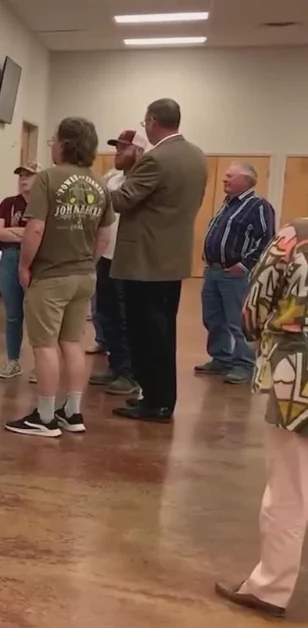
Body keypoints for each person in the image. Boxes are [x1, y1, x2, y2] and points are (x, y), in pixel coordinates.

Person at [214, 219, 308, 619]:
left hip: (297, 380)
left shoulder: (296, 236)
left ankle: (271, 587)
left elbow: (253, 310)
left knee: (289, 488)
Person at [4, 117, 114, 438]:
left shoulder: (48, 179)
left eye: (53, 139)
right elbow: (104, 235)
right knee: (72, 342)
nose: (51, 145)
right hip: (84, 275)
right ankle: (73, 411)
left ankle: (46, 416)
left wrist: (24, 266)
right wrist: (87, 262)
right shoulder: (99, 183)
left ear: (65, 143)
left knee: (45, 344)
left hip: (51, 276)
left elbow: (35, 228)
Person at [108, 98, 208, 423]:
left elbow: (123, 200)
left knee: (147, 335)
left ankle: (155, 402)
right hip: (171, 260)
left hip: (145, 260)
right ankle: (160, 399)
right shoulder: (196, 156)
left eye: (144, 122)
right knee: (163, 334)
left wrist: (92, 189)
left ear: (152, 121)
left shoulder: (156, 159)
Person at [196, 161, 276, 385]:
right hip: (213, 271)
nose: (225, 179)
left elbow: (266, 239)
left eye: (230, 176)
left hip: (236, 275)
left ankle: (244, 364)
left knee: (237, 321)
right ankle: (221, 358)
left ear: (246, 180)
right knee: (213, 318)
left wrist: (244, 265)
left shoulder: (259, 206)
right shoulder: (228, 203)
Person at [89, 130, 145, 396]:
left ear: (139, 151)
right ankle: (115, 365)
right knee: (106, 315)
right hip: (106, 257)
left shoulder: (141, 181)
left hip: (129, 260)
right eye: (117, 148)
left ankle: (130, 372)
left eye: (124, 148)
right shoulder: (112, 177)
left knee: (126, 319)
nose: (117, 153)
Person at [0, 160, 39, 379]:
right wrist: (25, 232)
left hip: (37, 259)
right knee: (13, 314)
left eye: (28, 175)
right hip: (9, 258)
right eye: (20, 175)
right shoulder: (8, 203)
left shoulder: (43, 203)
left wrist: (16, 232)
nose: (23, 179)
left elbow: (43, 233)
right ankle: (13, 361)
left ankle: (41, 365)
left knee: (38, 315)